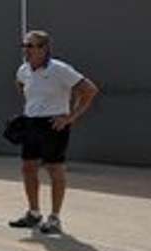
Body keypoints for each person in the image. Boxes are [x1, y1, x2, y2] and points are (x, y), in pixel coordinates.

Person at [8, 30, 99, 235]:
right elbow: (20, 85)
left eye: (30, 46)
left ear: (44, 48)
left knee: (54, 170)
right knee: (28, 168)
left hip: (54, 125)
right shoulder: (23, 70)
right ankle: (34, 214)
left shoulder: (60, 69)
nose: (26, 50)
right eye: (24, 46)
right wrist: (32, 108)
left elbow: (90, 90)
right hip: (31, 124)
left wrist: (70, 117)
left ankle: (55, 218)